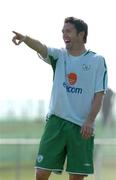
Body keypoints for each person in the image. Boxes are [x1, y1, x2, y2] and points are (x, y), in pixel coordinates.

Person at [12, 17, 108, 180]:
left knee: (76, 178)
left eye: (68, 31)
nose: (64, 34)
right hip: (56, 122)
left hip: (81, 127)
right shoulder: (59, 55)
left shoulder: (97, 60)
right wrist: (26, 39)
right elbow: (41, 47)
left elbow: (99, 94)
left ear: (81, 34)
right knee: (41, 173)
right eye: (62, 31)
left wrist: (90, 120)